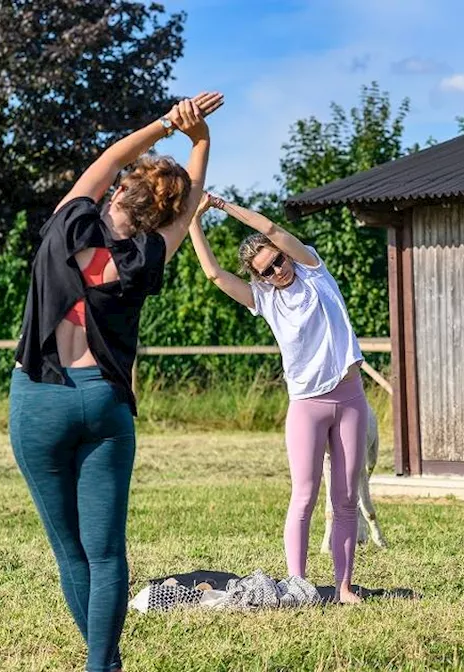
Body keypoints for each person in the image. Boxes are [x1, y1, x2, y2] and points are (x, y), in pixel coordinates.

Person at [10, 91, 224, 672]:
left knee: (70, 553)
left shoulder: (69, 219)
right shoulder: (148, 255)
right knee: (106, 557)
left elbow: (109, 157)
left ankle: (105, 663)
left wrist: (164, 125)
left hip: (41, 399)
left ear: (119, 191)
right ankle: (102, 666)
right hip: (105, 403)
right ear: (157, 215)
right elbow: (192, 204)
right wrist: (200, 140)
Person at [185, 192, 369, 605]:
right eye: (266, 270)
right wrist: (195, 220)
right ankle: (298, 583)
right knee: (304, 495)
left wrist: (223, 206)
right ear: (259, 278)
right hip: (306, 406)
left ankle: (343, 587)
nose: (277, 271)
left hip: (350, 397)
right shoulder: (264, 298)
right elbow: (214, 275)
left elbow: (270, 229)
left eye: (278, 261)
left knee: (344, 498)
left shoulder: (313, 271)